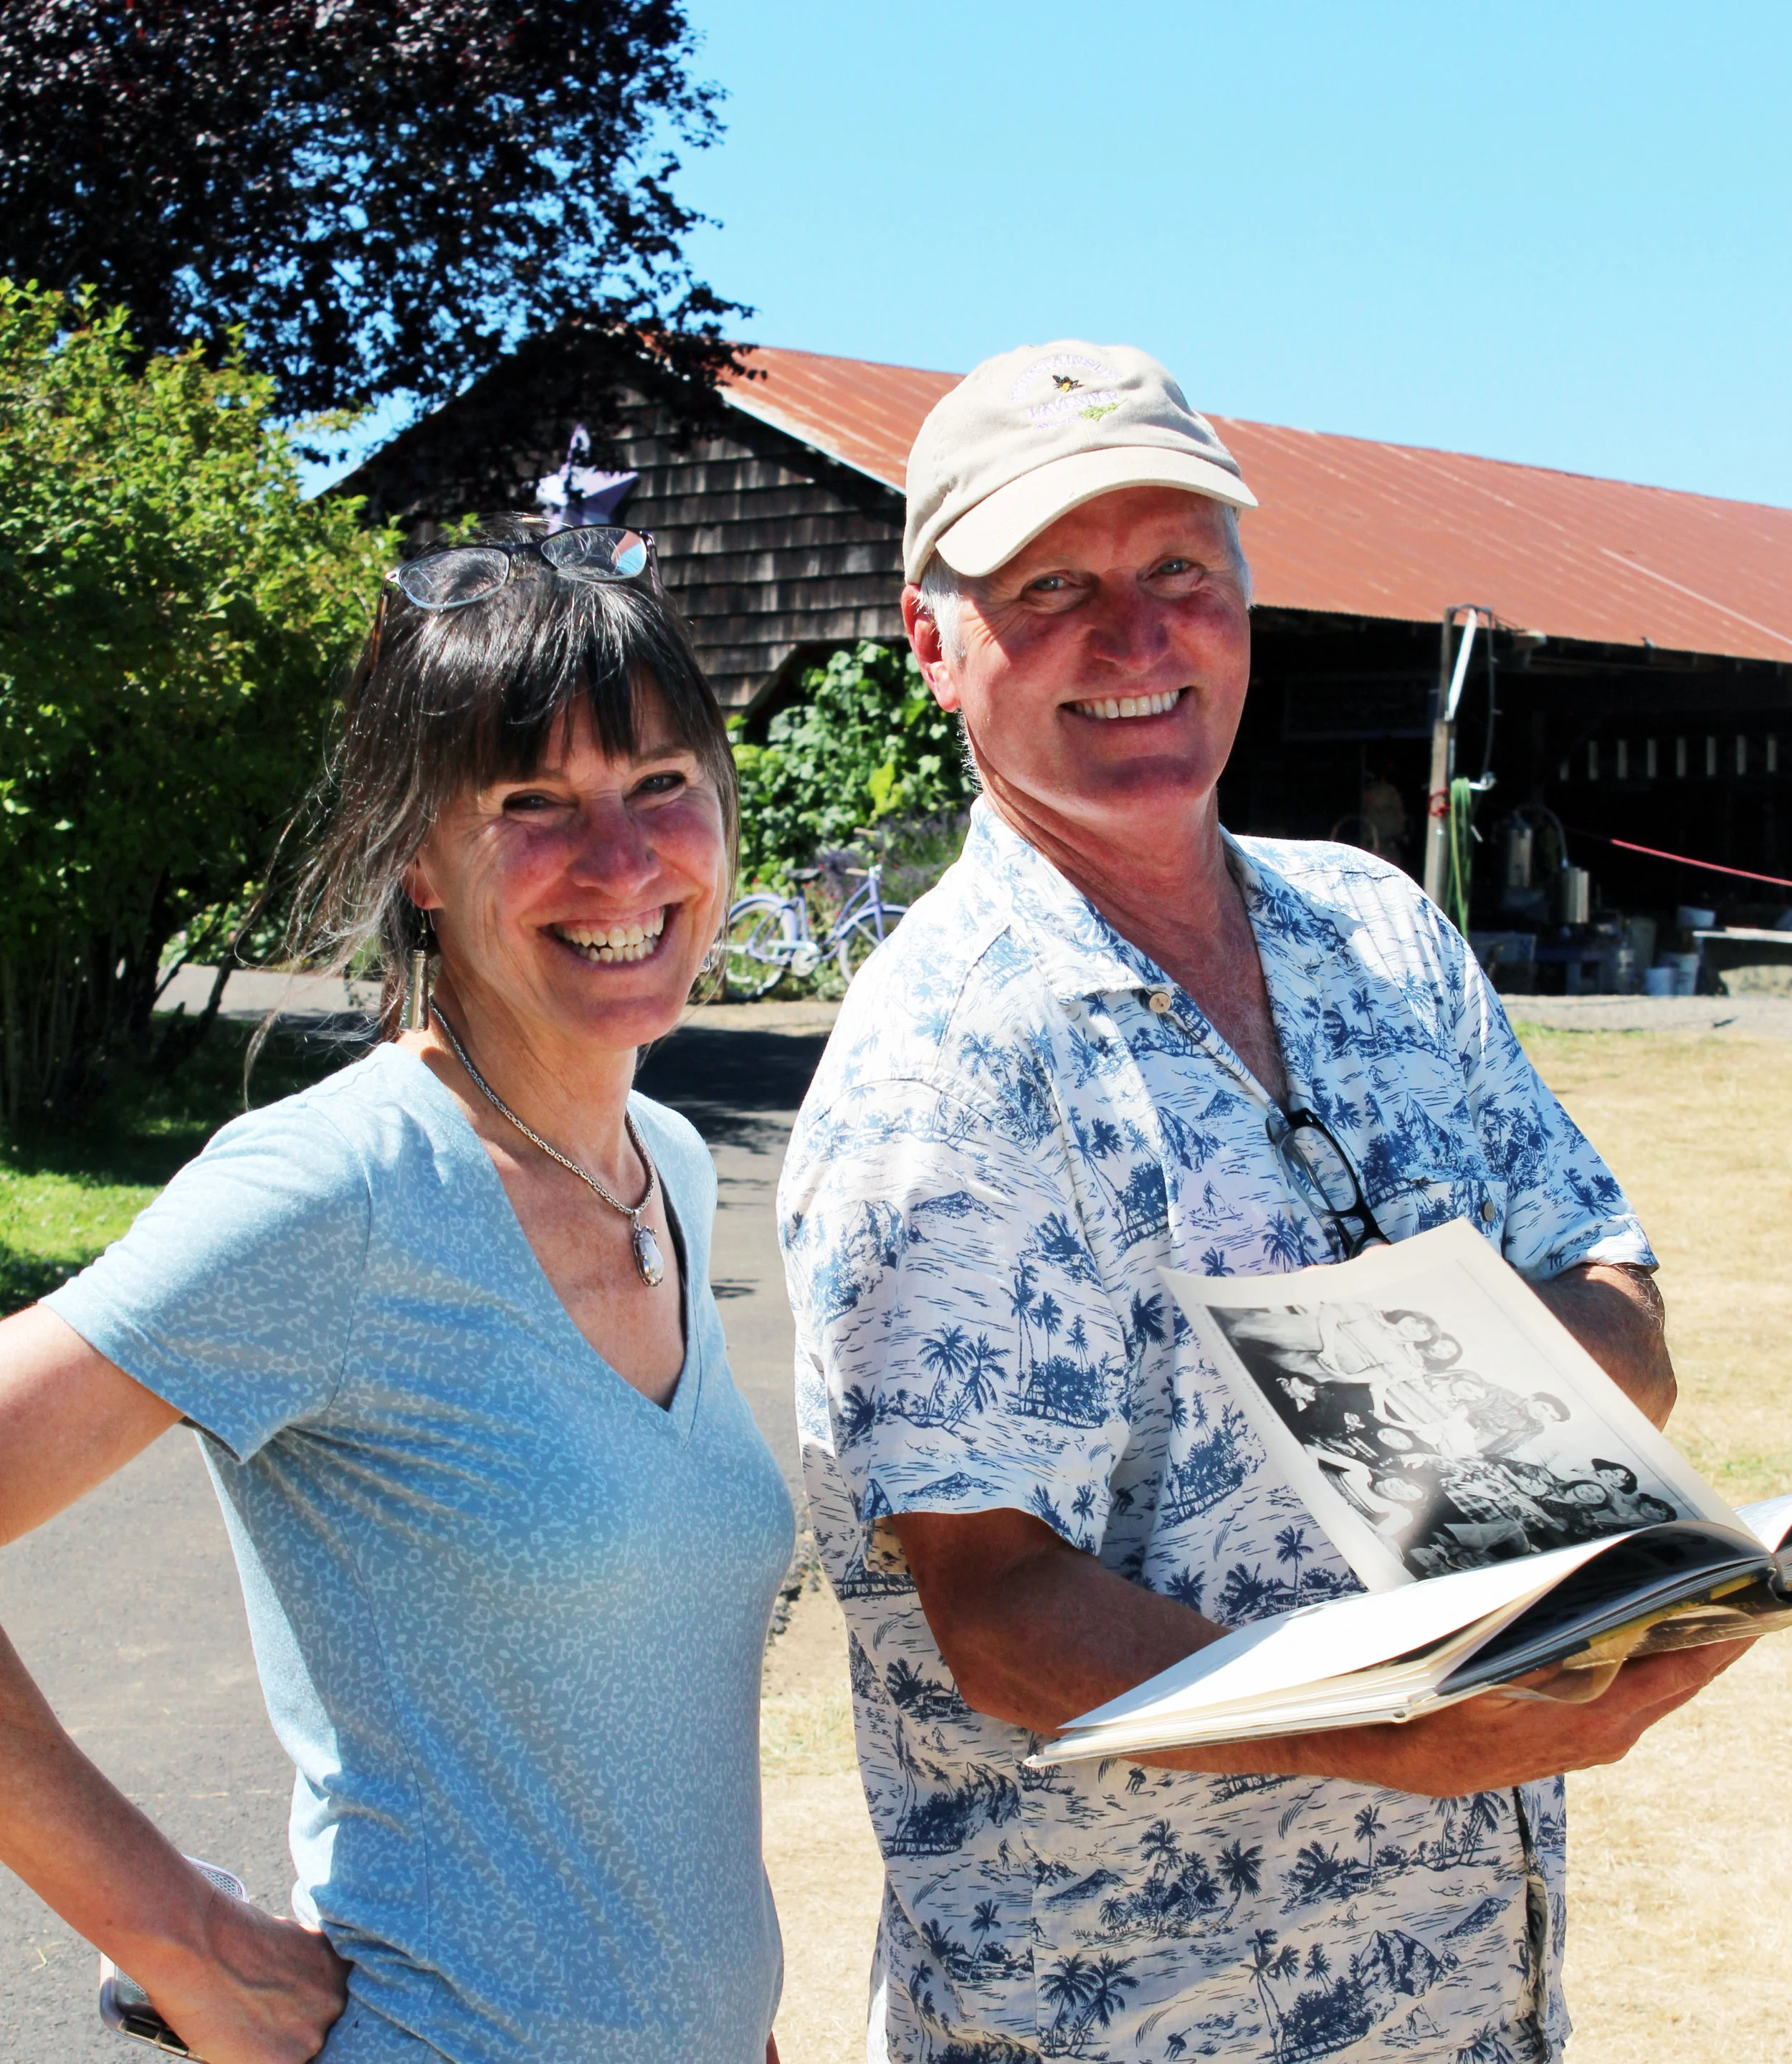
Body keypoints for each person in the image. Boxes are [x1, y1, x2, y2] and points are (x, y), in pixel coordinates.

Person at [777, 341, 1745, 2063]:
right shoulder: (948, 1066)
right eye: (1051, 586)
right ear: (931, 644)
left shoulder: (1375, 933)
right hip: (1138, 2017)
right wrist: (1399, 1734)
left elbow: (1621, 1306)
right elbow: (994, 1610)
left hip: (1467, 1984)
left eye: (1176, 575)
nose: (1133, 639)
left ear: (1241, 602)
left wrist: (1439, 1404)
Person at [0, 518, 792, 2064]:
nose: (622, 862)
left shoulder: (671, 1167)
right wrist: (178, 1934)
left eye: (659, 787)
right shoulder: (341, 1188)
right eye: (529, 805)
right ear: (417, 857)